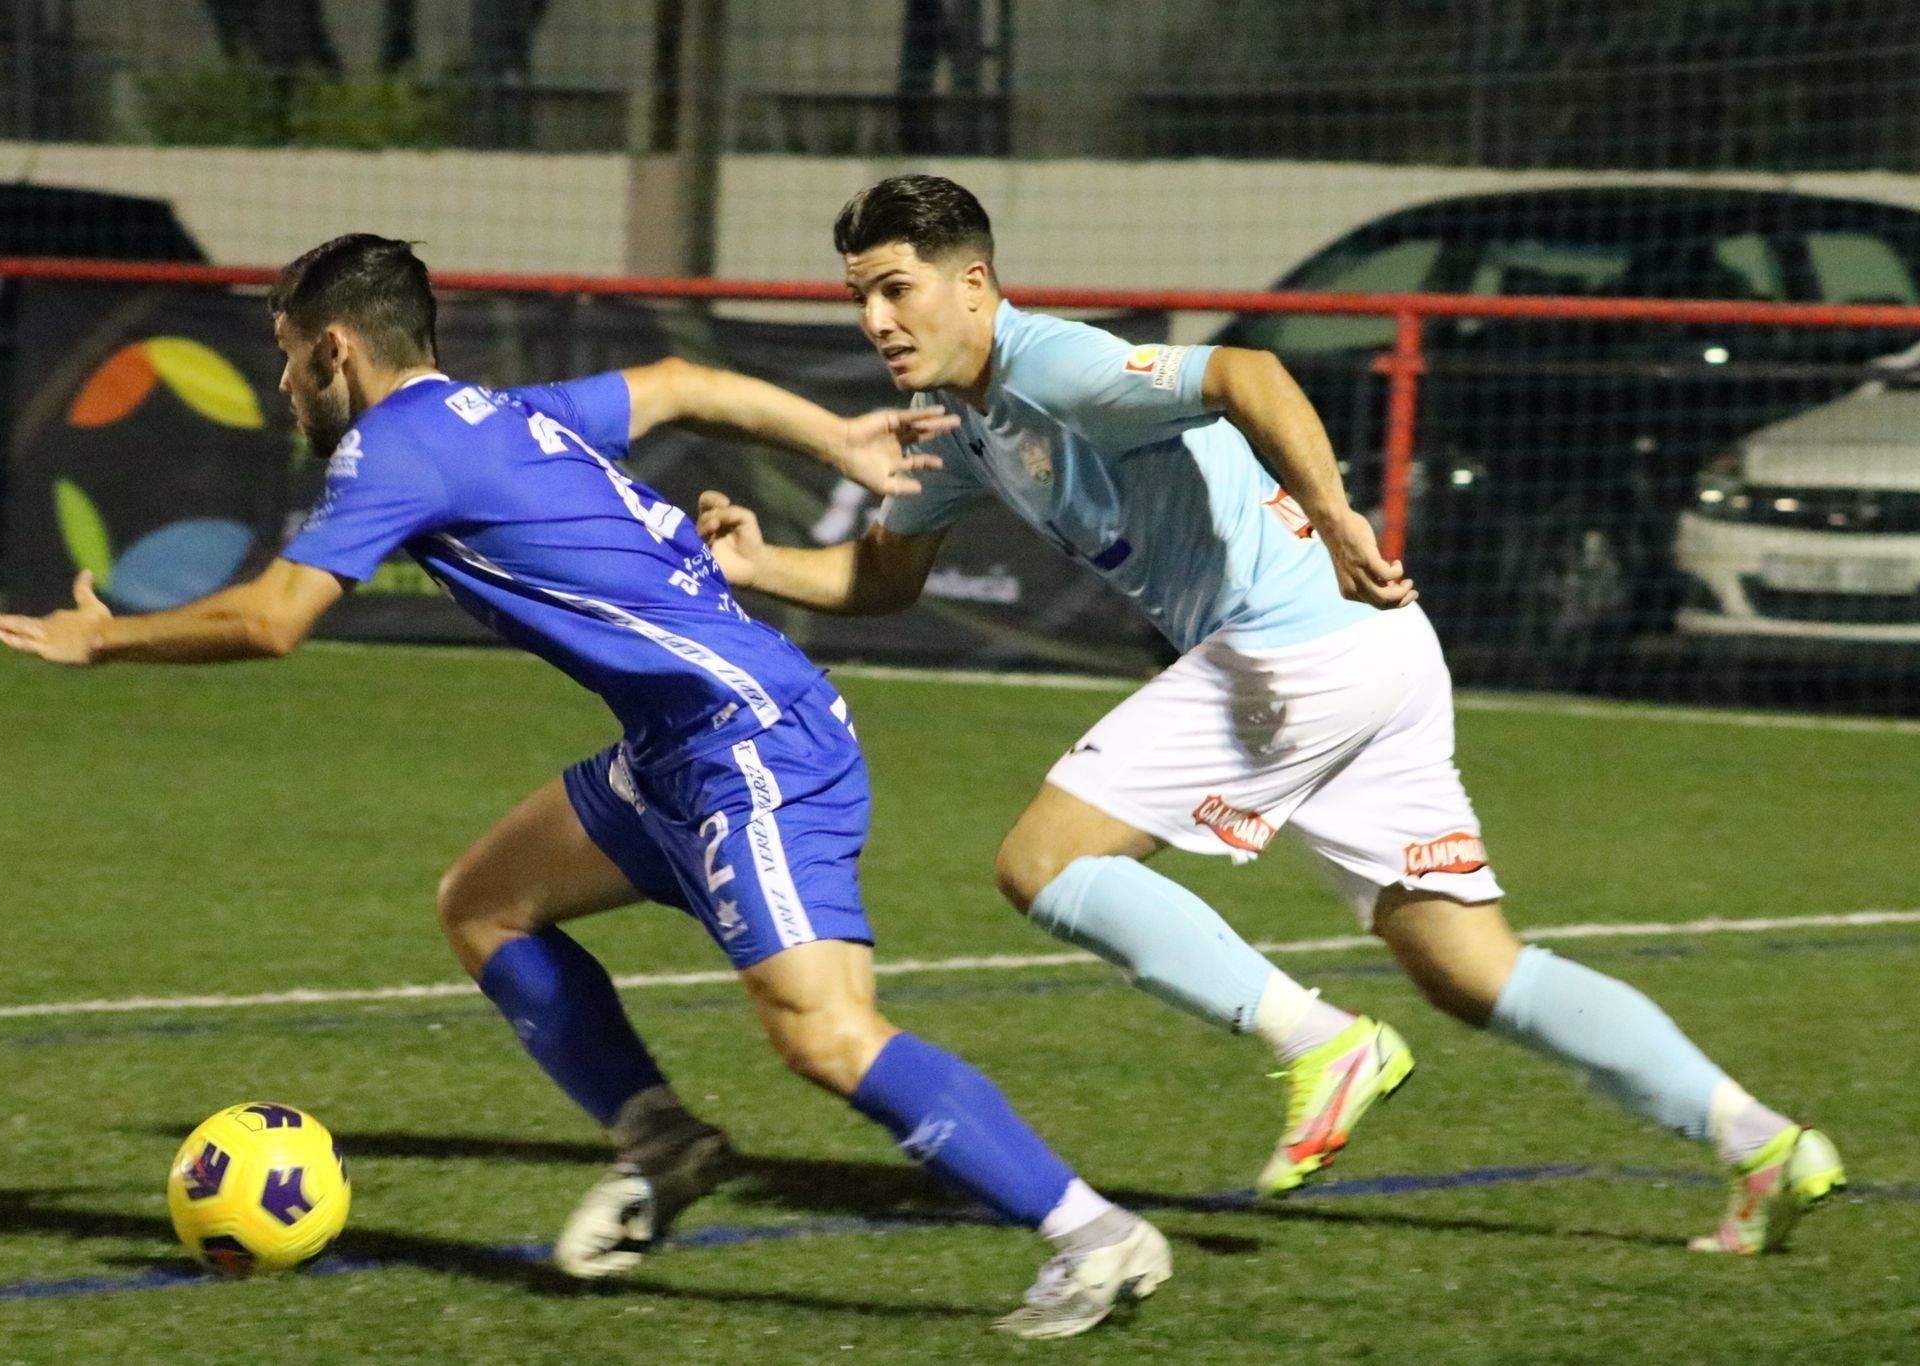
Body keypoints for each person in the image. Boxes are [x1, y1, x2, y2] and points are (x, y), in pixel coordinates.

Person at [0, 233, 1170, 1337]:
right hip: (673, 743)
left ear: (335, 349)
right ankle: (661, 1142)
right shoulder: (492, 413)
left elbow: (275, 618)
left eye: (289, 360)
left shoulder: (394, 443)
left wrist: (106, 641)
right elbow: (679, 381)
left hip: (743, 744)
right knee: (483, 903)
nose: (286, 386)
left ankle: (1090, 1231)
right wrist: (837, 438)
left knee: (826, 1034)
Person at [694, 175, 1844, 1254]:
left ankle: (1323, 1041)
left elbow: (1245, 371)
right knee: (1469, 967)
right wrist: (757, 562)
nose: (876, 321)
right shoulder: (961, 421)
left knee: (1044, 860)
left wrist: (1338, 516)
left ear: (974, 286)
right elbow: (881, 583)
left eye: (895, 288)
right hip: (1372, 658)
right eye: (859, 297)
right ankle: (1761, 1143)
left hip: (1293, 647)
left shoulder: (1054, 367)